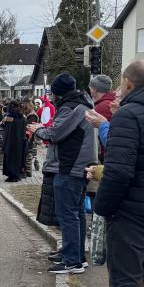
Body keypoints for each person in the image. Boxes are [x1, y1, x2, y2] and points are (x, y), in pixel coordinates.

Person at [89, 61, 144, 287]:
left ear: (127, 83)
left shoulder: (129, 114)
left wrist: (103, 207)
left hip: (133, 211)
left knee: (125, 282)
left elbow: (120, 169)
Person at [35, 73, 98, 274]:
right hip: (79, 166)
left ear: (58, 92)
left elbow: (55, 133)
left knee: (68, 215)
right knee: (77, 212)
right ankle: (76, 254)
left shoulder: (72, 107)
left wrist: (38, 130)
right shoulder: (83, 104)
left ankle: (72, 261)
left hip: (70, 167)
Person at [1, 100, 28, 182]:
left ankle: (12, 176)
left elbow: (6, 129)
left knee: (10, 159)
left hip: (11, 142)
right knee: (18, 158)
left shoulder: (10, 117)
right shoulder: (22, 118)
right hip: (20, 142)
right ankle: (17, 175)